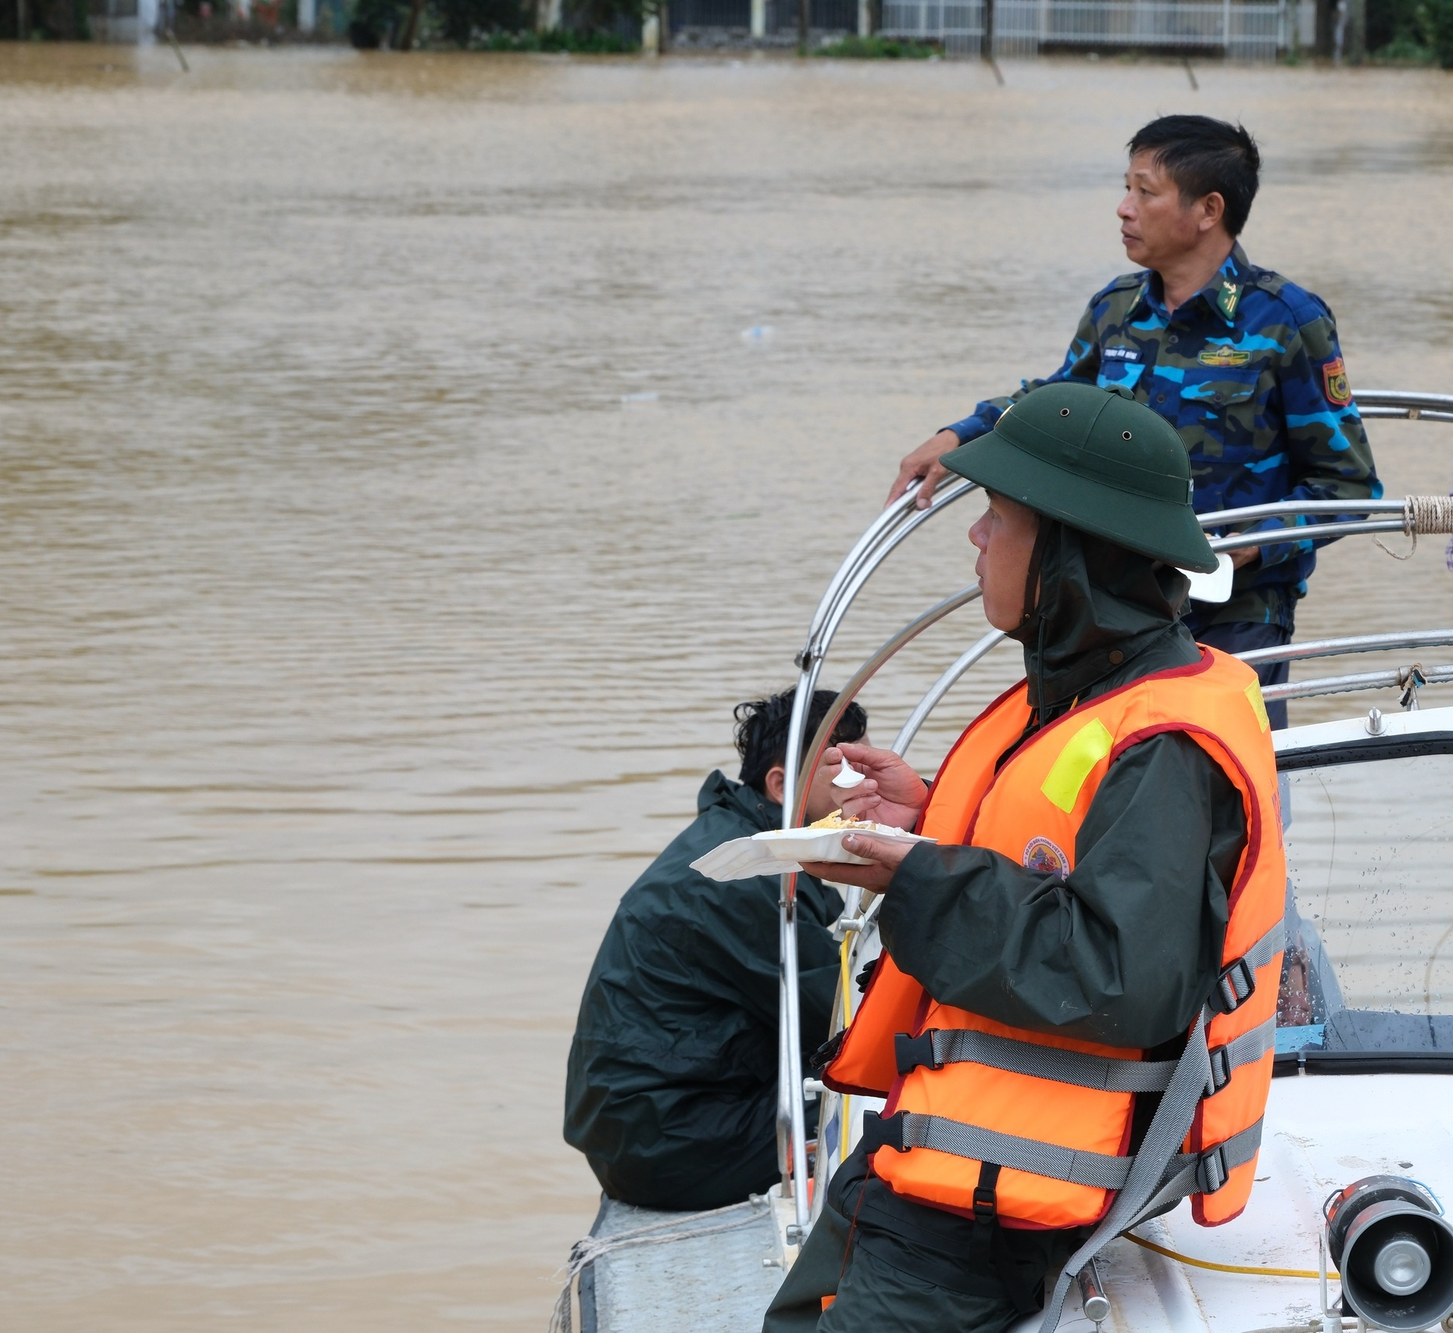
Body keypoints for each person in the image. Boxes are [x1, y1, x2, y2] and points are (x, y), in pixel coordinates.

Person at [766, 382, 1285, 1333]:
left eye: (998, 518)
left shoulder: (1164, 745)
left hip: (986, 1224)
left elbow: (1117, 972)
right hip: (938, 1170)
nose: (975, 538)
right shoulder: (1097, 690)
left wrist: (917, 875)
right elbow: (1058, 852)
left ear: (1069, 558)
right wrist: (932, 821)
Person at [885, 114, 1381, 728]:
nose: (1124, 208)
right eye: (1127, 188)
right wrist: (961, 434)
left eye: (1146, 192)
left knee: (1221, 768)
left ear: (1209, 209)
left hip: (1235, 618)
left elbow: (1346, 487)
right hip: (1108, 615)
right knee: (1085, 762)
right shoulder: (1115, 310)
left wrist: (1235, 550)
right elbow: (1053, 405)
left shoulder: (1286, 320)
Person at [563, 688, 868, 1213]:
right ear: (780, 785)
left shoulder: (744, 840)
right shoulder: (743, 876)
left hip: (647, 1122)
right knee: (890, 1100)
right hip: (667, 1143)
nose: (864, 784)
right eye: (845, 770)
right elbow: (841, 1017)